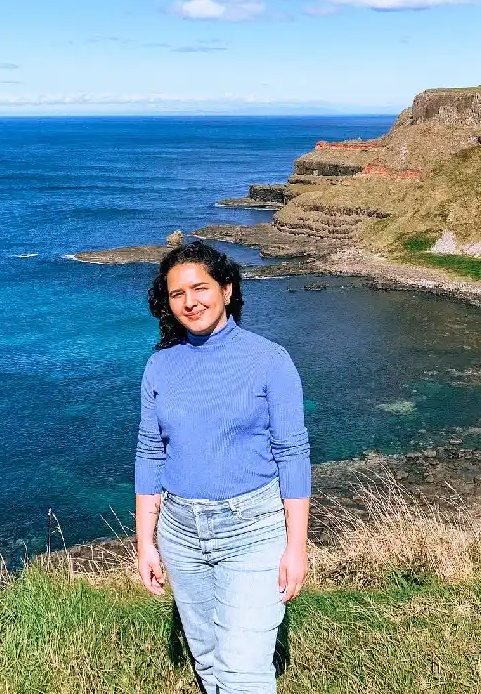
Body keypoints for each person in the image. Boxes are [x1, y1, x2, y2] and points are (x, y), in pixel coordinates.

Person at [134, 240, 311, 694]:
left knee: (243, 672)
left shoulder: (270, 360)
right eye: (178, 294)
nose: (190, 302)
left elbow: (292, 453)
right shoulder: (159, 366)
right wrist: (146, 544)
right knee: (209, 659)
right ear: (167, 302)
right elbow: (150, 453)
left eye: (201, 288)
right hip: (180, 530)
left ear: (227, 290)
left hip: (252, 529)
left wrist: (296, 547)